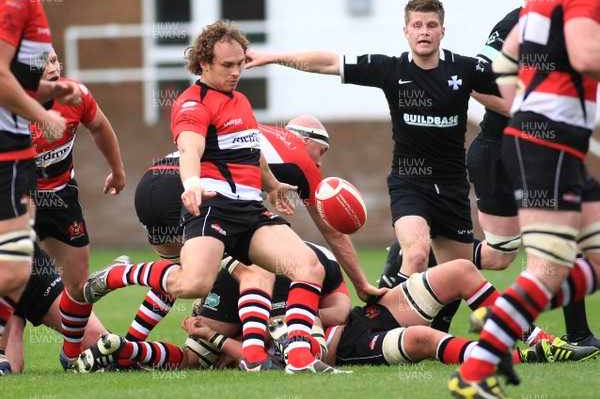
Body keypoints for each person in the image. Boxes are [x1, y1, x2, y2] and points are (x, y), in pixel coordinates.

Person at [82, 20, 346, 374]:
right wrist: (191, 182)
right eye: (227, 65)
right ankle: (120, 274)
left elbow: (253, 151)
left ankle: (299, 359)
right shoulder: (192, 103)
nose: (236, 72)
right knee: (193, 284)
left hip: (250, 212)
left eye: (239, 64)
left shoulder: (241, 101)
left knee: (308, 266)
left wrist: (271, 185)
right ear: (204, 64)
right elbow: (190, 147)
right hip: (213, 208)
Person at [245, 0, 510, 332]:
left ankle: (433, 333)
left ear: (443, 31)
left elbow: (514, 90)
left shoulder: (466, 69)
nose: (424, 32)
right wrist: (272, 57)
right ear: (406, 31)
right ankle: (384, 329)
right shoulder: (391, 69)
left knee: (456, 269)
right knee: (415, 253)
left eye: (431, 25)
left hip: (454, 188)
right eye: (417, 25)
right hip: (409, 183)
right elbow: (328, 62)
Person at [380, 0, 600, 349]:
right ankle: (555, 331)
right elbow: (480, 82)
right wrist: (527, 112)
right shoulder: (515, 23)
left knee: (500, 257)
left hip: (543, 148)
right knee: (562, 235)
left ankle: (429, 253)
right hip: (503, 150)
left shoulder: (573, 22)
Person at [449, 0, 600, 397]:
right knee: (548, 261)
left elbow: (505, 61)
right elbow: (588, 57)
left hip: (550, 143)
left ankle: (503, 320)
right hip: (546, 144)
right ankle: (486, 353)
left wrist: (528, 105)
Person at [75, 257, 599, 374]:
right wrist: (215, 331)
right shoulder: (226, 276)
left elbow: (342, 303)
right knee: (417, 338)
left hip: (359, 318)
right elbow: (221, 347)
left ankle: (534, 338)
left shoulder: (296, 251)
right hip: (337, 349)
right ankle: (503, 354)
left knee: (461, 268)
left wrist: (333, 314)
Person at [125, 114, 383, 345]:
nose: (320, 161)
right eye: (322, 151)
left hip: (152, 182)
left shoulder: (261, 131)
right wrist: (361, 284)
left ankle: (127, 346)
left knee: (175, 275)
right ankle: (256, 355)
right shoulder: (300, 158)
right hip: (191, 190)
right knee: (256, 270)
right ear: (305, 141)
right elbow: (333, 232)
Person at [74, 241, 352, 373]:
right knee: (305, 351)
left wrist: (234, 334)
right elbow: (341, 312)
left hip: (234, 268)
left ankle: (126, 348)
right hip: (270, 268)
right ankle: (286, 340)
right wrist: (294, 317)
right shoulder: (319, 262)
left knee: (190, 360)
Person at [0, 0, 81, 374]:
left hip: (17, 157)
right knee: (13, 267)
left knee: (16, 268)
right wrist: (42, 114)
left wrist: (46, 94)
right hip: (7, 150)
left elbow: (11, 77)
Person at [29, 48, 125, 370]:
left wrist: (118, 170)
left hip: (60, 198)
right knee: (13, 273)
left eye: (55, 60)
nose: (53, 68)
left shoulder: (75, 95)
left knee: (79, 283)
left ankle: (71, 354)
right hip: (17, 202)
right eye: (43, 65)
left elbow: (99, 127)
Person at [0, 243, 108, 374]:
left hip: (32, 271)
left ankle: (136, 350)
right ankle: (15, 318)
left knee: (102, 344)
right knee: (10, 368)